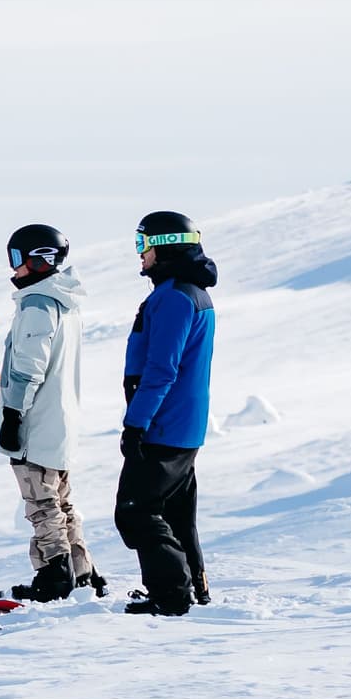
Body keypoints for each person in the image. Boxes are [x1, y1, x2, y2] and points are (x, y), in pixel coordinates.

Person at [0, 224, 105, 603]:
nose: (13, 268)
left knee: (41, 501)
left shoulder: (38, 304)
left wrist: (12, 414)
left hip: (35, 423)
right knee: (60, 498)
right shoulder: (64, 303)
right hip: (58, 422)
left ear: (39, 260)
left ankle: (54, 573)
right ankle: (80, 568)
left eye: (16, 258)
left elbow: (28, 366)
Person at [117, 207, 218, 615]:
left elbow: (162, 369)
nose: (138, 253)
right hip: (182, 425)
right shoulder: (186, 291)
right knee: (175, 513)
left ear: (163, 246)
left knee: (135, 512)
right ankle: (194, 587)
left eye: (142, 244)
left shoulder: (176, 297)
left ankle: (172, 594)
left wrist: (135, 424)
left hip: (164, 426)